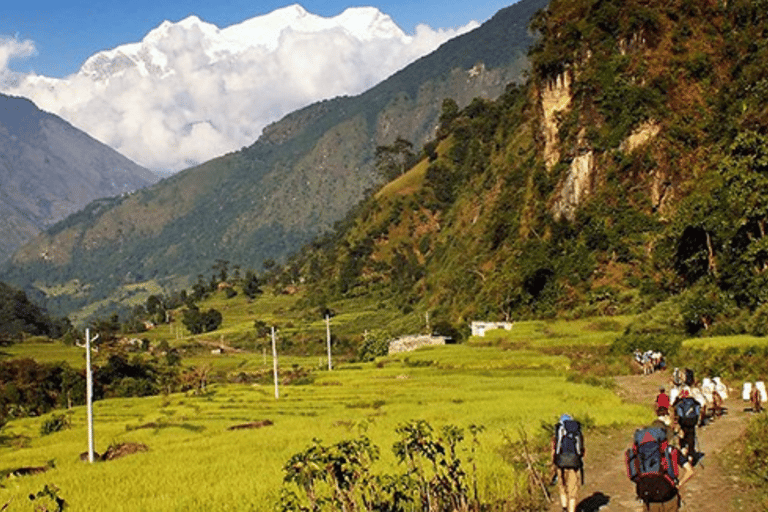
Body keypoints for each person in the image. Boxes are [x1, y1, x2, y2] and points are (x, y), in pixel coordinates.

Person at [552, 414, 584, 512]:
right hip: (574, 462)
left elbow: (555, 449)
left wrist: (555, 461)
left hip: (561, 461)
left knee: (562, 486)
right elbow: (581, 450)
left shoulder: (559, 431)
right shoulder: (577, 432)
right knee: (572, 489)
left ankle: (564, 508)